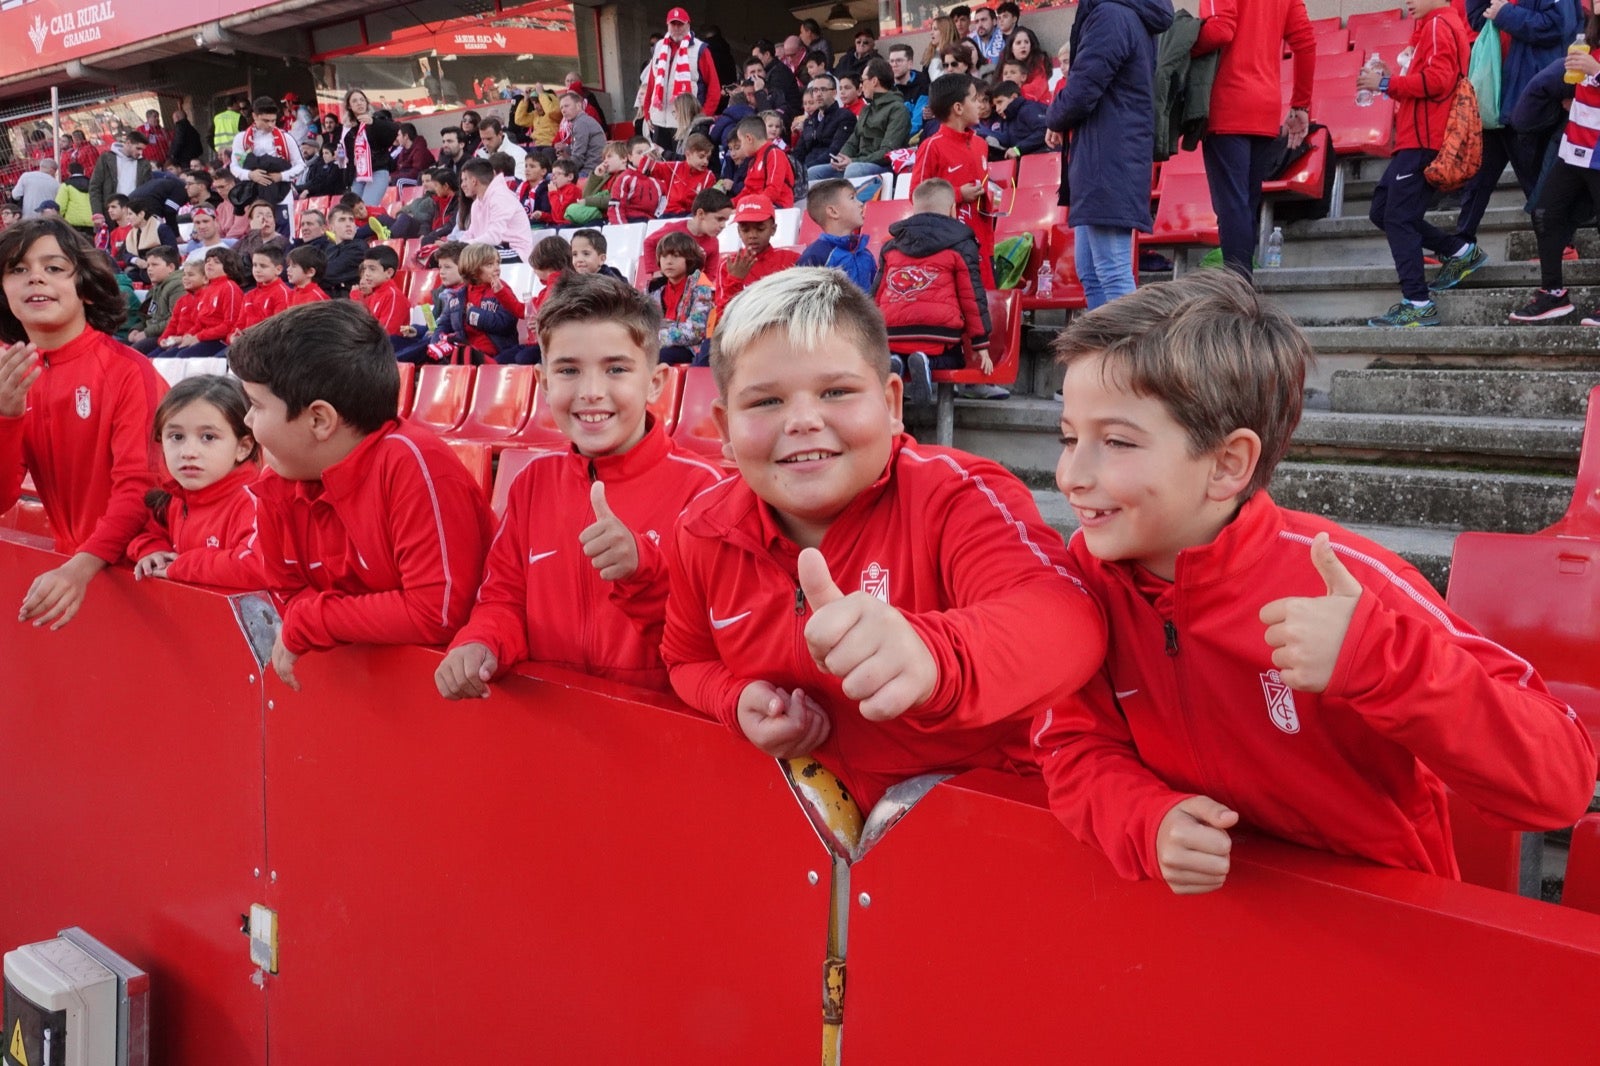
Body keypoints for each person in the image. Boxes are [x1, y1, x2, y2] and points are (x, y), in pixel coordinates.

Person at [1040, 267, 1595, 892]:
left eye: (1114, 441)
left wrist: (1381, 662)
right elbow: (1072, 745)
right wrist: (1143, 817)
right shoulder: (1086, 577)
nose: (1070, 476)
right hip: (1206, 928)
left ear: (1228, 464)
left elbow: (1562, 782)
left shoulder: (1350, 585)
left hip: (1380, 933)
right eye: (1068, 437)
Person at [660, 267, 1103, 810]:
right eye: (766, 402)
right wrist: (736, 699)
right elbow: (685, 661)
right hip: (808, 841)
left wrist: (935, 657)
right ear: (725, 430)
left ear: (892, 405)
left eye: (837, 391)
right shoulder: (703, 527)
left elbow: (1067, 619)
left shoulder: (955, 495)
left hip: (974, 828)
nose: (803, 420)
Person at [437, 273, 721, 699]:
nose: (591, 391)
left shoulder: (705, 492)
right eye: (569, 370)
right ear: (544, 382)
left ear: (656, 382)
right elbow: (504, 598)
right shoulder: (531, 482)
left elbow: (710, 646)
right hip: (553, 725)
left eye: (617, 369)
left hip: (659, 732)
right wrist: (481, 642)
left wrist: (643, 573)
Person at [230, 301, 493, 690]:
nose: (248, 421)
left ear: (319, 420)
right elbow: (287, 591)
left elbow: (436, 612)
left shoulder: (412, 462)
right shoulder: (280, 479)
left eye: (255, 405)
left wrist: (315, 622)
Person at [0, 219, 168, 631]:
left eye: (54, 267)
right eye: (17, 269)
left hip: (144, 580)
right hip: (75, 579)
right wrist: (6, 418)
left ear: (87, 289)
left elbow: (142, 488)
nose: (35, 275)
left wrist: (81, 567)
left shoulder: (129, 371)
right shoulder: (15, 378)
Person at [1437, 0, 1574, 294]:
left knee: (1533, 177)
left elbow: (1556, 26)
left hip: (1527, 97)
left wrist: (1505, 14)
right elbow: (1474, 18)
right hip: (1496, 93)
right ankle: (1463, 246)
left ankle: (1563, 245)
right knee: (1478, 177)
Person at [1045, 0, 1172, 310]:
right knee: (1090, 272)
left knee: (1112, 272)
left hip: (1110, 157)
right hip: (1103, 153)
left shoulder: (1111, 15)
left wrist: (1054, 117)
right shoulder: (1119, 12)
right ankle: (1104, 354)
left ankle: (1130, 356)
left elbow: (1083, 88)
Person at [1358, 0, 1470, 327]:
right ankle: (1459, 251)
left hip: (1424, 139)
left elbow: (1438, 81)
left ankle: (1418, 302)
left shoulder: (1438, 24)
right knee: (1382, 211)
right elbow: (1427, 83)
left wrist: (1383, 84)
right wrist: (1392, 81)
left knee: (1398, 218)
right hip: (1414, 137)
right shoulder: (1433, 24)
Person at [1193, 0, 1316, 279]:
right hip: (1265, 108)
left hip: (1227, 104)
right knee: (1244, 205)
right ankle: (1242, 288)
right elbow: (1306, 41)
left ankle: (1238, 292)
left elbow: (1220, 30)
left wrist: (1182, 40)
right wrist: (1301, 104)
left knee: (1232, 207)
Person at [126, 375, 262, 591]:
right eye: (177, 437)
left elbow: (256, 565)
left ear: (243, 447)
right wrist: (153, 551)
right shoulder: (174, 496)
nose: (188, 452)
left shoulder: (256, 500)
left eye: (208, 437)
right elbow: (143, 532)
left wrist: (179, 566)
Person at [872, 179, 993, 405]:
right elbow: (972, 295)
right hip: (937, 333)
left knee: (903, 349)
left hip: (893, 332)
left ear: (914, 209)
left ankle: (896, 360)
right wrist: (981, 343)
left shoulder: (891, 245)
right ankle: (926, 362)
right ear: (952, 209)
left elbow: (877, 293)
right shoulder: (961, 243)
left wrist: (871, 335)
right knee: (954, 358)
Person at [910, 74, 996, 287]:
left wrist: (990, 198)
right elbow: (916, 196)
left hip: (983, 245)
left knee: (984, 306)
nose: (980, 105)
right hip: (949, 246)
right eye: (975, 99)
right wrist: (958, 195)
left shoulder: (980, 144)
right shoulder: (932, 146)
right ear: (958, 107)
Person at [641, 8, 724, 155]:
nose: (677, 28)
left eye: (681, 24)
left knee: (682, 167)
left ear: (688, 25)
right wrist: (647, 112)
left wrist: (702, 118)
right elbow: (652, 84)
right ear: (667, 25)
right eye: (673, 24)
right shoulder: (659, 47)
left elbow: (714, 88)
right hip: (659, 120)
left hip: (686, 122)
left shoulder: (700, 49)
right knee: (660, 166)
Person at [812, 59, 910, 182]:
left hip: (884, 167)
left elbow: (887, 153)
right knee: (814, 173)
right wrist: (841, 158)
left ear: (874, 81)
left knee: (854, 170)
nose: (861, 86)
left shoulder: (898, 110)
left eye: (863, 81)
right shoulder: (867, 109)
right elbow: (853, 141)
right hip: (859, 163)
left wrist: (853, 161)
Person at [443, 242, 526, 364]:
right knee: (434, 350)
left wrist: (474, 314)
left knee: (465, 356)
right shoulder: (458, 295)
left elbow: (506, 323)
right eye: (490, 264)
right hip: (467, 349)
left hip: (496, 353)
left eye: (498, 263)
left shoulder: (501, 290)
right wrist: (437, 340)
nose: (497, 267)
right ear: (473, 268)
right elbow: (443, 324)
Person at [714, 194, 800, 311]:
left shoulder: (791, 259)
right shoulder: (728, 264)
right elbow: (722, 316)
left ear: (773, 229)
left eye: (760, 229)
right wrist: (735, 279)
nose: (752, 236)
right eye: (745, 230)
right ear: (739, 232)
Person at [232, 97, 306, 224]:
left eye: (273, 120)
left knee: (285, 235)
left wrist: (281, 176)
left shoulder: (286, 138)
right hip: (255, 193)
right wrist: (250, 175)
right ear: (254, 116)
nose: (271, 125)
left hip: (282, 192)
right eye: (266, 121)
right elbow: (234, 167)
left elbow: (300, 165)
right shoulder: (241, 138)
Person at [647, 231, 717, 364]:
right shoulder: (655, 289)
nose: (668, 262)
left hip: (691, 349)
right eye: (664, 256)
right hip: (658, 344)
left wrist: (657, 337)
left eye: (676, 256)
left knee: (659, 356)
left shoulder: (701, 288)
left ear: (690, 259)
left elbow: (696, 332)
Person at [641, 188, 734, 284]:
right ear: (700, 214)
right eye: (719, 219)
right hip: (668, 287)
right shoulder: (673, 229)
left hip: (692, 292)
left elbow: (710, 274)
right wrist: (656, 272)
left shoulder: (714, 243)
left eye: (725, 221)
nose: (723, 225)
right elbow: (649, 242)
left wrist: (700, 290)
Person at [797, 178, 874, 291]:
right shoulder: (814, 256)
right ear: (833, 212)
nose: (861, 204)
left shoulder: (864, 252)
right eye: (852, 198)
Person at [169, 247, 246, 359]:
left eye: (216, 262)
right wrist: (188, 335)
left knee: (183, 357)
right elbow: (200, 322)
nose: (210, 264)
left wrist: (199, 337)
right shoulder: (208, 289)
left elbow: (229, 325)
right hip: (205, 337)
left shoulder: (230, 287)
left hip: (220, 340)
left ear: (229, 266)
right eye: (208, 261)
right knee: (167, 357)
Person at [638, 132, 718, 218]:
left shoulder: (709, 176)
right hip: (669, 214)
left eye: (708, 158)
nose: (705, 161)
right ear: (688, 154)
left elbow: (707, 204)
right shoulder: (674, 167)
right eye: (701, 157)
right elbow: (646, 169)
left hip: (691, 216)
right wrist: (647, 154)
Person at [340, 93, 399, 208]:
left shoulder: (377, 118)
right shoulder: (346, 128)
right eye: (355, 101)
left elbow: (393, 130)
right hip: (357, 173)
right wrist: (341, 160)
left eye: (362, 100)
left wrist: (373, 123)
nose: (359, 103)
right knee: (353, 210)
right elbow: (342, 152)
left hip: (377, 170)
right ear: (349, 106)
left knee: (367, 207)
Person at [128, 246, 185, 353]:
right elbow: (149, 317)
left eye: (154, 265)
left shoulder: (178, 286)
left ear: (171, 267)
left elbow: (177, 320)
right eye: (148, 265)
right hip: (153, 333)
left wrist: (146, 333)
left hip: (168, 336)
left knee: (131, 354)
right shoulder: (155, 287)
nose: (149, 268)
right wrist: (136, 329)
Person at [795, 76, 858, 174]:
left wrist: (805, 169)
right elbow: (799, 152)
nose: (818, 94)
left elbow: (835, 151)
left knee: (811, 173)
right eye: (815, 90)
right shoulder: (809, 121)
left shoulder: (845, 116)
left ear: (834, 93)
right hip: (807, 168)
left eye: (823, 89)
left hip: (830, 168)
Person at [730, 116, 796, 209]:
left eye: (740, 142)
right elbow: (748, 191)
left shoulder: (775, 154)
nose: (741, 147)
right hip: (758, 207)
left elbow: (773, 191)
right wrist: (729, 205)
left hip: (778, 209)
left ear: (749, 138)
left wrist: (748, 207)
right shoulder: (753, 160)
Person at [89, 132, 153, 221]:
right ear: (128, 143)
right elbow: (95, 187)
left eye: (142, 150)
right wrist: (97, 213)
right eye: (138, 148)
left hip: (134, 214)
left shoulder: (144, 164)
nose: (140, 152)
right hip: (109, 215)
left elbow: (148, 191)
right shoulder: (106, 158)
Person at [352, 245, 409, 338]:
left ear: (389, 273)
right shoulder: (373, 294)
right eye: (365, 268)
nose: (366, 274)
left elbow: (384, 336)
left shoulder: (393, 296)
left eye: (372, 269)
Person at [233, 247, 291, 335]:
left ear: (278, 269)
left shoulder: (283, 293)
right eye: (255, 265)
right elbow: (240, 323)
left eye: (263, 266)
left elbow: (277, 328)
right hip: (245, 341)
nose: (257, 270)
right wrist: (233, 336)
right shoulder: (249, 295)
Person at [987, 80, 1048, 157]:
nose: (997, 109)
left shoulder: (1028, 109)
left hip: (1046, 160)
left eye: (1000, 102)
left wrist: (1018, 149)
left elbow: (1045, 130)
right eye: (995, 105)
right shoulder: (1010, 119)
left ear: (1014, 97)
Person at [155, 261, 206, 352]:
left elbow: (202, 325)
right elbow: (172, 324)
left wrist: (182, 338)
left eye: (190, 275)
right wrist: (163, 339)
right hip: (175, 341)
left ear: (205, 279)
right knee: (151, 359)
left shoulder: (207, 298)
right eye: (184, 275)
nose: (185, 278)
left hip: (193, 340)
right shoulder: (181, 301)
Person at [320, 206, 369, 299]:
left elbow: (328, 274)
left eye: (351, 220)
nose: (348, 224)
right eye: (342, 220)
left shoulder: (359, 248)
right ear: (331, 227)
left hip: (348, 304)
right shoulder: (329, 249)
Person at [559, 92, 607, 176]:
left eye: (567, 106)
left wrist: (560, 170)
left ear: (578, 105)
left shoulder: (581, 123)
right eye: (561, 107)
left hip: (589, 172)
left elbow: (578, 159)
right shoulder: (583, 121)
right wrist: (566, 149)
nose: (563, 110)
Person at [887, 43, 929, 136]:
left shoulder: (922, 85)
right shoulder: (884, 87)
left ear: (910, 64)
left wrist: (893, 137)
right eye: (892, 61)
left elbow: (916, 124)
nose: (894, 65)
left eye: (899, 61)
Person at [235, 201, 290, 267]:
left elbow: (259, 260)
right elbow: (229, 259)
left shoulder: (282, 242)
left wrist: (255, 231)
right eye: (259, 216)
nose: (265, 219)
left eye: (269, 216)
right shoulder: (246, 239)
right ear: (251, 221)